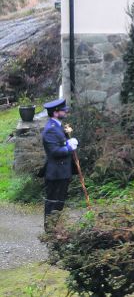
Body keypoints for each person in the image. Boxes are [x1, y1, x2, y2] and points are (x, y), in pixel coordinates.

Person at [41, 98, 77, 229]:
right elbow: (54, 151)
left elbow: (58, 144)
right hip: (56, 173)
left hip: (62, 172)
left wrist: (68, 143)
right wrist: (69, 147)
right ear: (56, 113)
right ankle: (50, 231)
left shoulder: (57, 126)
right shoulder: (51, 129)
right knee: (53, 203)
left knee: (59, 203)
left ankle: (55, 229)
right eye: (63, 110)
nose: (65, 112)